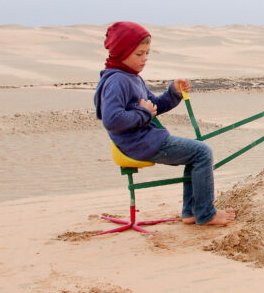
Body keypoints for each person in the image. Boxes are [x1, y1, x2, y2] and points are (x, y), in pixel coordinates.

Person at [94, 22, 234, 226]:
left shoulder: (132, 77)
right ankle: (206, 214)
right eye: (139, 54)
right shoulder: (117, 81)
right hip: (139, 143)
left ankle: (191, 212)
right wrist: (143, 112)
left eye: (147, 53)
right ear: (121, 52)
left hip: (145, 139)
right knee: (202, 152)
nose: (145, 58)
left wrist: (173, 92)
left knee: (195, 153)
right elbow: (112, 120)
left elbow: (155, 106)